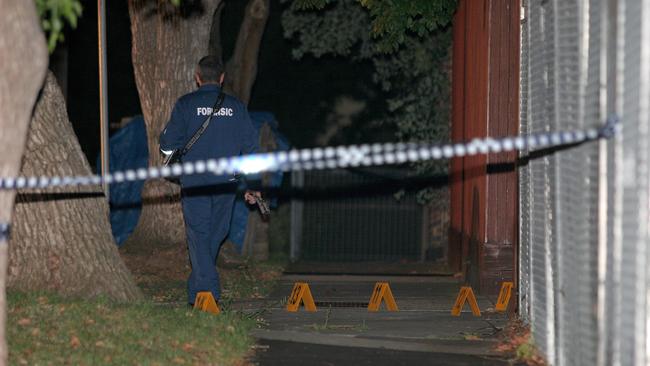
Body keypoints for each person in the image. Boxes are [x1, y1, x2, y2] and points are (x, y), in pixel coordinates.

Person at [159, 55, 260, 306]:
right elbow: (251, 149)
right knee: (216, 232)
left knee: (201, 234)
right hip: (226, 182)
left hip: (195, 183)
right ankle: (207, 291)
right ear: (222, 78)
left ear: (197, 77)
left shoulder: (185, 104)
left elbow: (167, 144)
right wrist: (253, 185)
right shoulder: (237, 107)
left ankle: (201, 290)